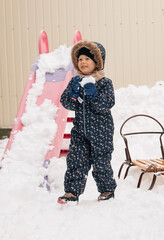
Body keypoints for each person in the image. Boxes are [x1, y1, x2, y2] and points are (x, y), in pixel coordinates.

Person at [57, 40, 117, 204]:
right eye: (80, 59)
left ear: (97, 62)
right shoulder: (76, 81)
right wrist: (73, 94)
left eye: (87, 59)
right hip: (80, 131)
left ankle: (107, 190)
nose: (83, 62)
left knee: (101, 163)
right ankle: (71, 192)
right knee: (76, 160)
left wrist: (93, 95)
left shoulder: (104, 83)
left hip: (101, 131)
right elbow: (66, 103)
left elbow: (106, 105)